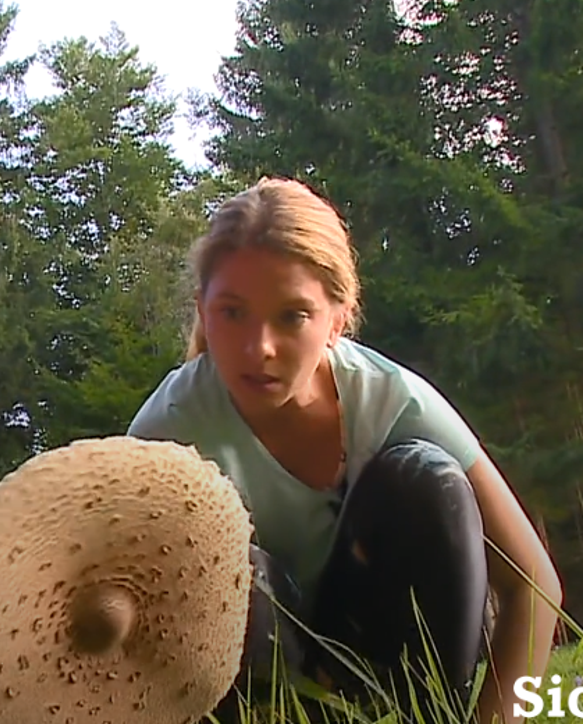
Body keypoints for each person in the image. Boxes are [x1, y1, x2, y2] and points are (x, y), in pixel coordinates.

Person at [127, 177, 563, 724]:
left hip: (388, 664)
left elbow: (532, 583)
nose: (257, 347)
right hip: (259, 679)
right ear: (202, 309)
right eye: (232, 313)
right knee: (221, 560)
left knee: (426, 480)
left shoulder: (393, 400)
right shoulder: (169, 427)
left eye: (291, 316)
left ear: (337, 319)